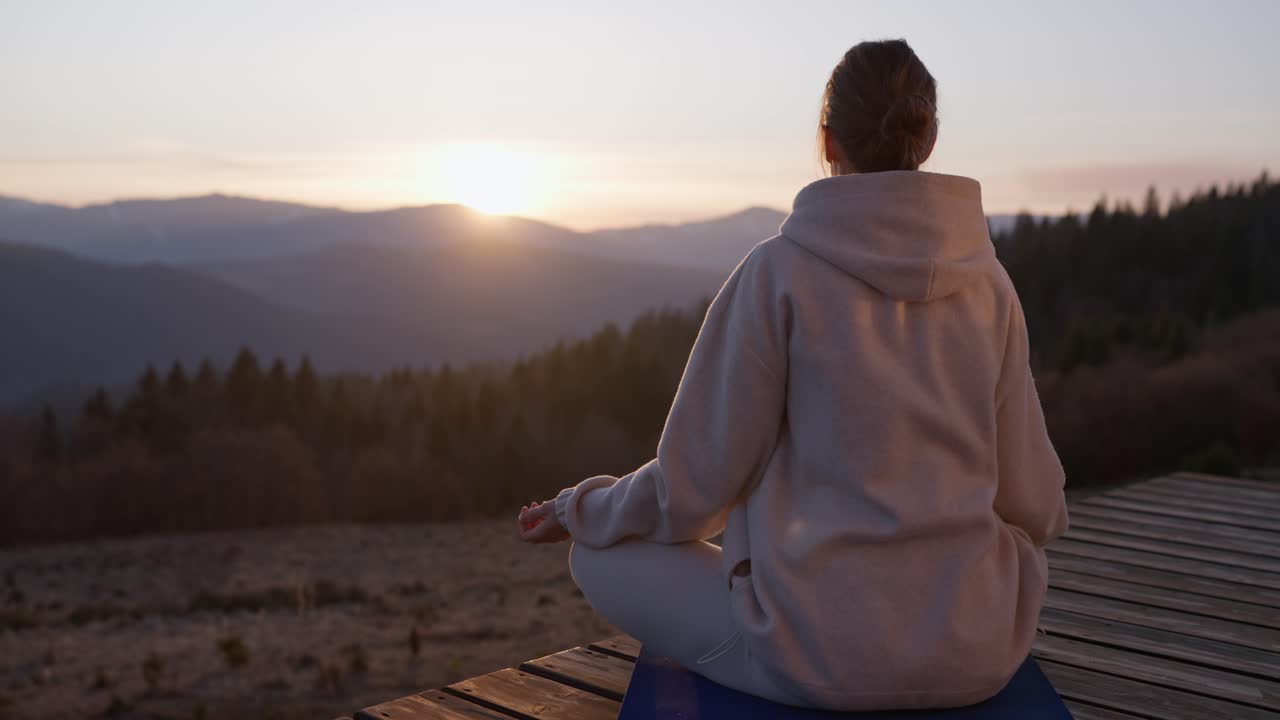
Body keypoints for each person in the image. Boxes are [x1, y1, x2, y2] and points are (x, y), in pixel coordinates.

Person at [517, 38, 1068, 712]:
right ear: (925, 140)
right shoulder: (991, 286)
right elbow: (1036, 504)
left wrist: (580, 507)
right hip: (978, 651)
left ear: (830, 141)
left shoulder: (777, 274)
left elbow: (693, 496)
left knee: (597, 555)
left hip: (817, 658)